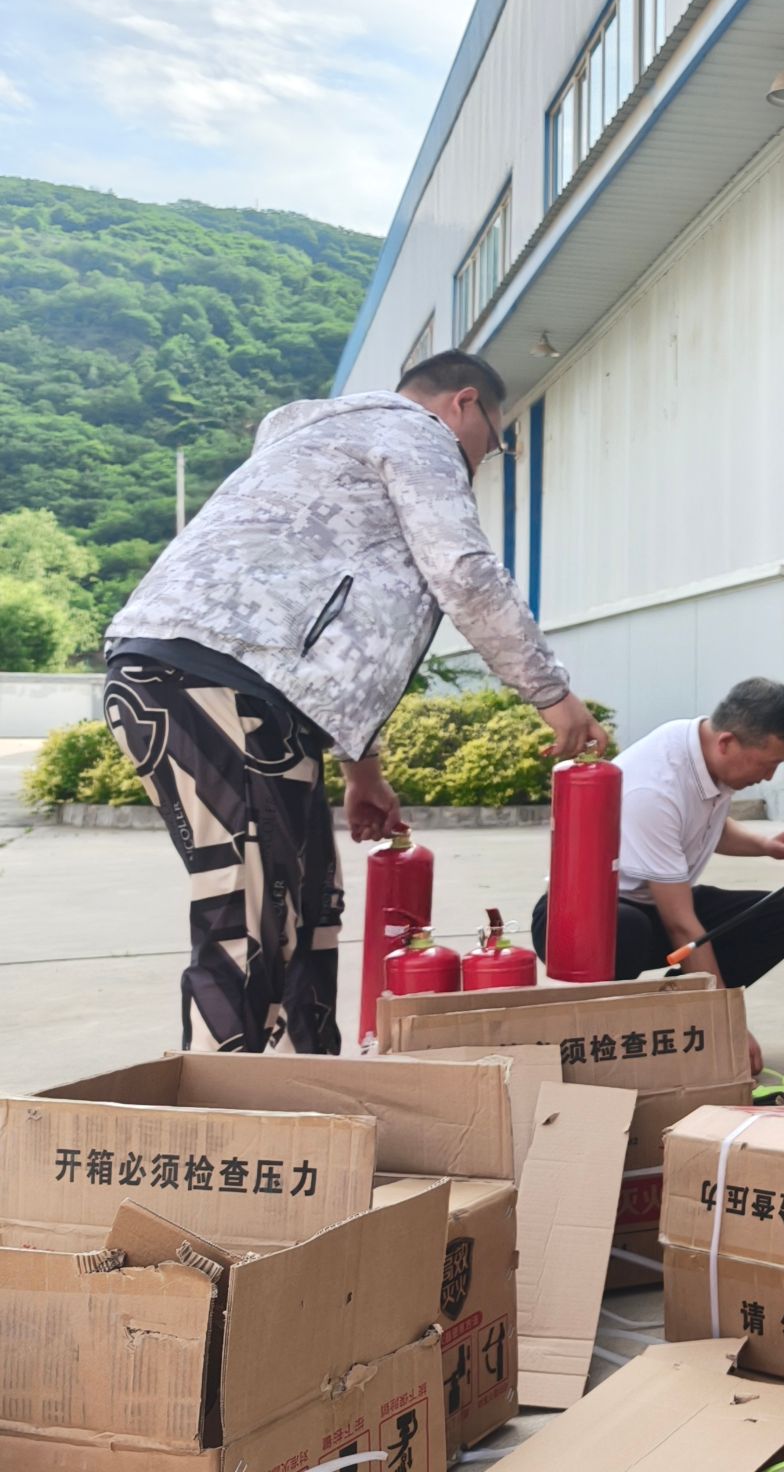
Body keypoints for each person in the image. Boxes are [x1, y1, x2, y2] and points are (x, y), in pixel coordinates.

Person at [101, 350, 608, 1057]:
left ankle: (315, 1089)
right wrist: (552, 696)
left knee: (310, 900)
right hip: (214, 678)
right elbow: (463, 571)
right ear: (464, 404)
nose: (479, 461)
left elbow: (338, 639)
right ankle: (234, 1105)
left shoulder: (326, 446)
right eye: (490, 443)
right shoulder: (414, 432)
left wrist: (361, 770)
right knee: (254, 913)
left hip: (235, 684)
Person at [531, 678, 784, 1075]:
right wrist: (723, 1021)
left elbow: (706, 827)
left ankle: (677, 1011)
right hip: (577, 920)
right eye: (767, 764)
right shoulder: (655, 788)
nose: (769, 777)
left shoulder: (705, 751)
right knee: (631, 931)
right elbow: (681, 924)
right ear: (727, 742)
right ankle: (623, 1036)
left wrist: (764, 844)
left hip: (652, 903)